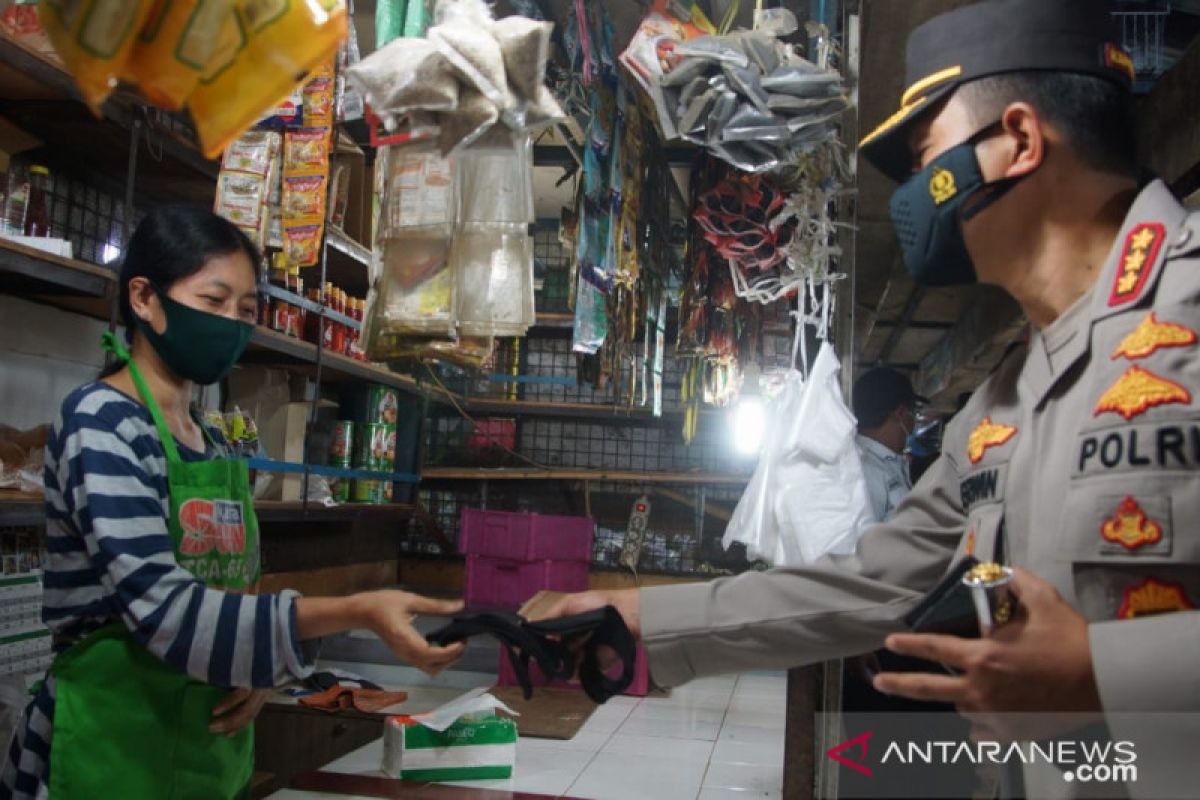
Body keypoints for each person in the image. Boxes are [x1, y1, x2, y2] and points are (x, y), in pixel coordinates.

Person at [535, 1, 1200, 795]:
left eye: (929, 159)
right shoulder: (1001, 402)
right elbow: (881, 579)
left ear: (1018, 142)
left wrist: (1107, 673)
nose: (916, 198)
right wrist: (642, 617)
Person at [0, 206, 465, 799]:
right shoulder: (103, 420)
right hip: (110, 746)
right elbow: (164, 610)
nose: (231, 323)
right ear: (144, 298)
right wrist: (357, 609)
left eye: (246, 310)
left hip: (204, 751)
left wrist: (260, 671)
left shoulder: (214, 440)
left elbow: (240, 589)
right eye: (214, 301)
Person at [852, 367, 927, 521]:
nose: (913, 422)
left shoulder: (889, 462)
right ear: (899, 413)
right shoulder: (864, 471)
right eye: (913, 412)